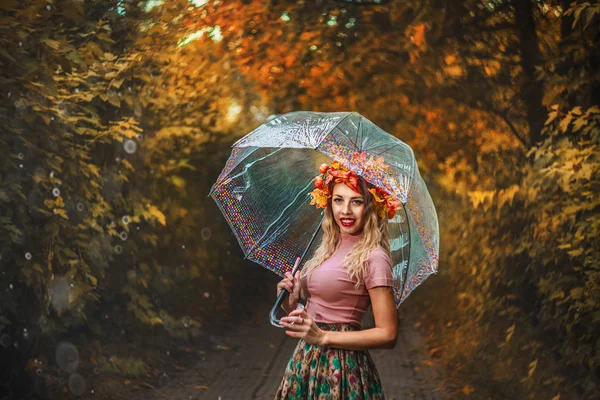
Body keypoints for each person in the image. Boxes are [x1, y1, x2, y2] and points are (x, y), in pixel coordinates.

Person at [274, 161, 398, 399]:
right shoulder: (328, 247)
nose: (346, 211)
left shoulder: (374, 257)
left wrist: (323, 337)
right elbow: (312, 312)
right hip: (306, 361)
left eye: (357, 201)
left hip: (340, 368)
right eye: (338, 200)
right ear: (328, 202)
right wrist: (291, 300)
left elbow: (388, 334)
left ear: (370, 207)